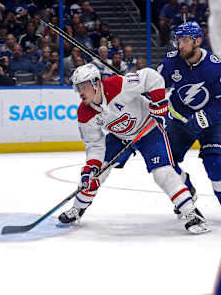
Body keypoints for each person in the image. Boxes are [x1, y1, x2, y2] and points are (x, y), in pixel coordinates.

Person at [58, 63, 208, 234]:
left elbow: (151, 77)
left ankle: (191, 213)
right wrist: (91, 168)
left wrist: (159, 103)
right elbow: (94, 145)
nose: (81, 92)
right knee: (96, 174)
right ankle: (77, 209)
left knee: (162, 172)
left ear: (96, 83)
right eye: (78, 88)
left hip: (149, 130)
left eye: (84, 87)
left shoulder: (117, 85)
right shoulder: (85, 113)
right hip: (119, 137)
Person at [158, 21, 221, 207]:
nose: (181, 45)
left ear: (198, 41)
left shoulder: (215, 66)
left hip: (212, 124)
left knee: (215, 165)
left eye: (185, 40)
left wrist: (206, 117)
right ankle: (187, 188)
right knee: (165, 161)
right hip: (180, 122)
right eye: (178, 40)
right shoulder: (171, 61)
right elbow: (156, 85)